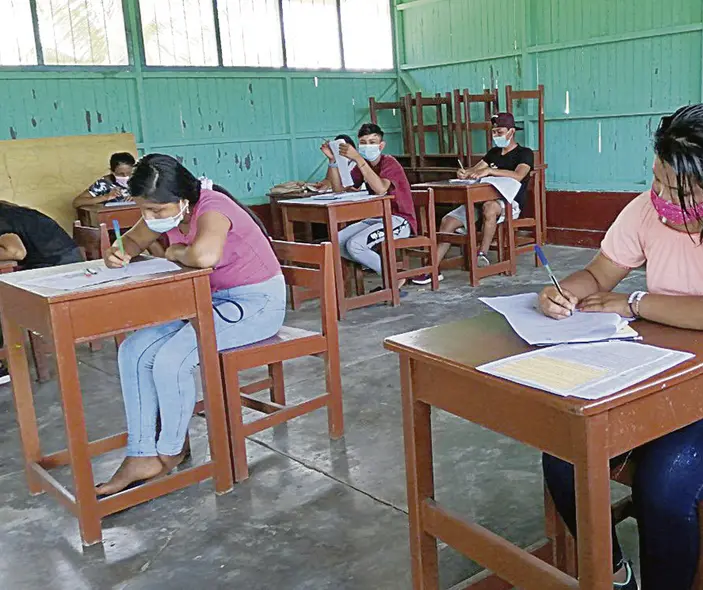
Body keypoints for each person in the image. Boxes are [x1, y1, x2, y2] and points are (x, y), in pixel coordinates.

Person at [538, 104, 703, 590]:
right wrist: (564, 291)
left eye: (677, 189)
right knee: (565, 454)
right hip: (655, 367)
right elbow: (598, 274)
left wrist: (634, 302)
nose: (659, 196)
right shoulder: (646, 209)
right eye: (656, 179)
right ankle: (615, 576)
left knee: (664, 483)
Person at [94, 154, 287, 496]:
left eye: (156, 211)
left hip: (256, 304)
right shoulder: (166, 211)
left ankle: (168, 452)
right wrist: (118, 250)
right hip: (208, 301)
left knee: (173, 358)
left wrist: (173, 252)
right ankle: (140, 452)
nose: (149, 218)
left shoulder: (213, 208)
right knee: (133, 350)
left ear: (183, 200)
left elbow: (203, 257)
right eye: (144, 210)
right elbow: (131, 241)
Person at [412, 112, 534, 284]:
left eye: (499, 132)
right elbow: (475, 170)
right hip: (478, 200)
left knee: (490, 208)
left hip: (508, 202)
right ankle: (432, 267)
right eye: (493, 132)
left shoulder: (524, 153)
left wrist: (491, 171)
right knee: (448, 221)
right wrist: (465, 173)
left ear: (511, 132)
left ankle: (481, 254)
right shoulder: (493, 153)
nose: (495, 135)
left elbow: (519, 175)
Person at [319, 123, 415, 286]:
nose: (367, 146)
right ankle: (384, 269)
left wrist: (357, 158)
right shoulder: (362, 165)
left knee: (354, 245)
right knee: (335, 242)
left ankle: (393, 277)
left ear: (381, 145)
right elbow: (339, 190)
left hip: (399, 220)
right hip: (376, 219)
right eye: (363, 142)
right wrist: (333, 162)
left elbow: (380, 189)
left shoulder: (389, 163)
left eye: (372, 142)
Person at [0, 201, 85, 384]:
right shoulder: (11, 210)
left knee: (3, 298)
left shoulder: (2, 219)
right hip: (68, 262)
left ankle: (3, 361)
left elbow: (16, 252)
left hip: (61, 273)